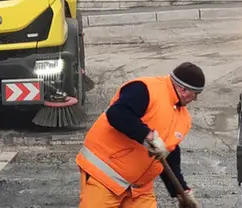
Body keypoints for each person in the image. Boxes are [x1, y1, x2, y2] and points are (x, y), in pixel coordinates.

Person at [76, 62, 205, 208]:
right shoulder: (146, 89)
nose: (195, 99)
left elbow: (169, 156)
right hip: (105, 177)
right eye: (196, 94)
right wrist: (147, 136)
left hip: (139, 189)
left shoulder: (183, 118)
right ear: (183, 89)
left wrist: (182, 191)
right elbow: (117, 113)